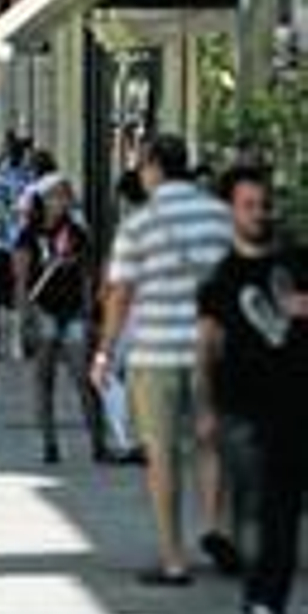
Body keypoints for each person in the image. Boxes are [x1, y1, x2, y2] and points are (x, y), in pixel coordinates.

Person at [93, 134, 236, 586]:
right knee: (210, 444)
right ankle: (216, 527)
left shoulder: (139, 223)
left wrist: (105, 350)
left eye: (141, 164)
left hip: (155, 352)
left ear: (154, 166)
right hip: (211, 350)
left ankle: (174, 558)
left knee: (162, 455)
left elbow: (120, 294)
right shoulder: (218, 215)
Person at [196, 168, 308, 614]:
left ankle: (266, 600)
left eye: (263, 204)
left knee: (281, 508)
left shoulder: (296, 262)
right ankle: (262, 599)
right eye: (248, 205)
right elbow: (206, 346)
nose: (259, 214)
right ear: (230, 212)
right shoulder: (220, 279)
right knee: (264, 504)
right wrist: (205, 408)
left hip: (296, 402)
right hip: (242, 408)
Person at [13, 174, 105, 465]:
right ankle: (49, 444)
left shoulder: (77, 232)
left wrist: (91, 312)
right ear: (44, 199)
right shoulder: (28, 234)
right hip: (43, 310)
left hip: (74, 310)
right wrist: (23, 317)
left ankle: (99, 442)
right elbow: (21, 278)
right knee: (45, 378)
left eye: (66, 195)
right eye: (57, 195)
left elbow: (88, 275)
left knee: (84, 379)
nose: (63, 201)